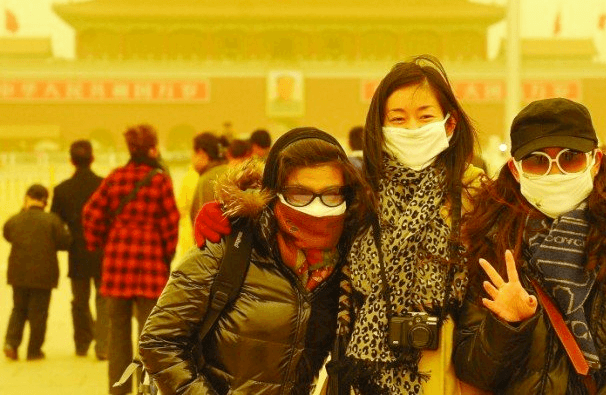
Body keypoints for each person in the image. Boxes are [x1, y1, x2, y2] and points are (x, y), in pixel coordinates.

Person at [194, 55, 486, 394]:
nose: (413, 130)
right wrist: (240, 215)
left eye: (425, 117)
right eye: (398, 118)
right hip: (360, 377)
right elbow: (300, 218)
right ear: (380, 127)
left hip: (448, 376)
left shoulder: (479, 197)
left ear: (449, 124)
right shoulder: (359, 192)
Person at [453, 98, 606, 394]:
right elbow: (474, 371)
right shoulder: (491, 242)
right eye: (537, 161)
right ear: (516, 169)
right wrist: (507, 326)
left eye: (570, 158)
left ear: (595, 162)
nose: (555, 173)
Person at [139, 128, 374, 394]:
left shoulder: (347, 262)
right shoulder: (231, 246)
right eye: (300, 193)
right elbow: (158, 341)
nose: (317, 207)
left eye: (331, 194)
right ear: (274, 193)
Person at [83, 124, 180, 395]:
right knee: (148, 334)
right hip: (150, 264)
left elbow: (91, 213)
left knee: (117, 333)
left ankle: (118, 389)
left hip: (117, 264)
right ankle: (145, 389)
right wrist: (167, 253)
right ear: (152, 148)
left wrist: (101, 244)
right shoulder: (159, 180)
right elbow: (171, 222)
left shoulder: (115, 177)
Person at [50, 140, 107, 359]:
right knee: (103, 300)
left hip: (77, 252)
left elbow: (56, 223)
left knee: (79, 301)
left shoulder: (61, 190)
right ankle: (103, 346)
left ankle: (82, 343)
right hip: (102, 249)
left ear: (71, 160)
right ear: (92, 158)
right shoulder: (104, 185)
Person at [4, 184, 72, 361]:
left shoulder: (15, 219)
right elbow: (65, 242)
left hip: (18, 274)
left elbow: (7, 234)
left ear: (27, 198)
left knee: (18, 309)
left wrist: (23, 210)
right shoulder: (52, 220)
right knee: (39, 314)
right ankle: (34, 351)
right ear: (45, 201)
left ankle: (11, 343)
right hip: (44, 275)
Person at [189, 132, 228, 223]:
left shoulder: (206, 181)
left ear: (202, 153)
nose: (192, 159)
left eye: (194, 154)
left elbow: (206, 222)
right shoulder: (229, 171)